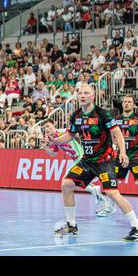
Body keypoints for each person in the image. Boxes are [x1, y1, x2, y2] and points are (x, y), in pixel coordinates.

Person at [50, 84, 138, 241]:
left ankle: (136, 227)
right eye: (80, 93)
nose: (82, 95)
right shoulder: (76, 116)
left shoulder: (103, 114)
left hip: (104, 160)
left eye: (86, 93)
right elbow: (70, 135)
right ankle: (72, 225)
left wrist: (123, 152)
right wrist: (55, 141)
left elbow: (116, 132)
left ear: (93, 97)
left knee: (112, 193)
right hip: (86, 161)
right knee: (66, 184)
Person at [41, 119, 109, 214]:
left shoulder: (62, 132)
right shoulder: (54, 139)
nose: (46, 129)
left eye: (48, 126)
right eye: (44, 128)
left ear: (54, 124)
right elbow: (53, 154)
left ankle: (95, 190)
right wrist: (45, 146)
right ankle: (105, 203)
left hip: (81, 157)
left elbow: (77, 135)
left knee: (67, 179)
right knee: (80, 182)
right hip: (76, 159)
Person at [114, 95, 138, 185]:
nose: (126, 104)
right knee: (114, 182)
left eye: (129, 102)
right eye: (125, 102)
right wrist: (114, 141)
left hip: (135, 156)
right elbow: (111, 134)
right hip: (120, 156)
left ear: (134, 105)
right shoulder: (116, 119)